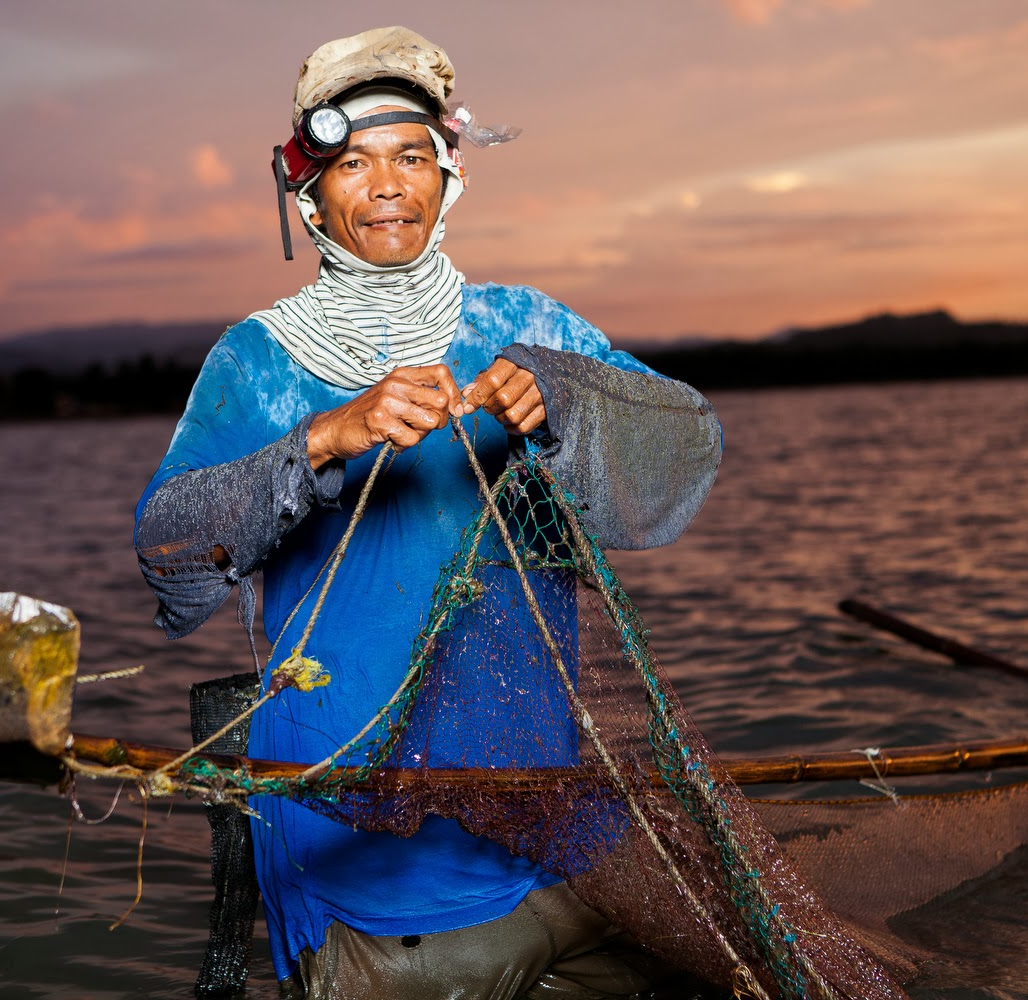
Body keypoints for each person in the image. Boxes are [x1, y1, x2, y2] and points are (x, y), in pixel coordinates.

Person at [134, 25, 723, 999]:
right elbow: (168, 554)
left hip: (561, 839)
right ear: (307, 196)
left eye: (411, 156)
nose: (386, 186)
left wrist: (566, 396)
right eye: (351, 163)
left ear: (450, 175)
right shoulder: (261, 357)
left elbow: (688, 452)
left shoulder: (529, 325)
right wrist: (327, 436)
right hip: (369, 877)